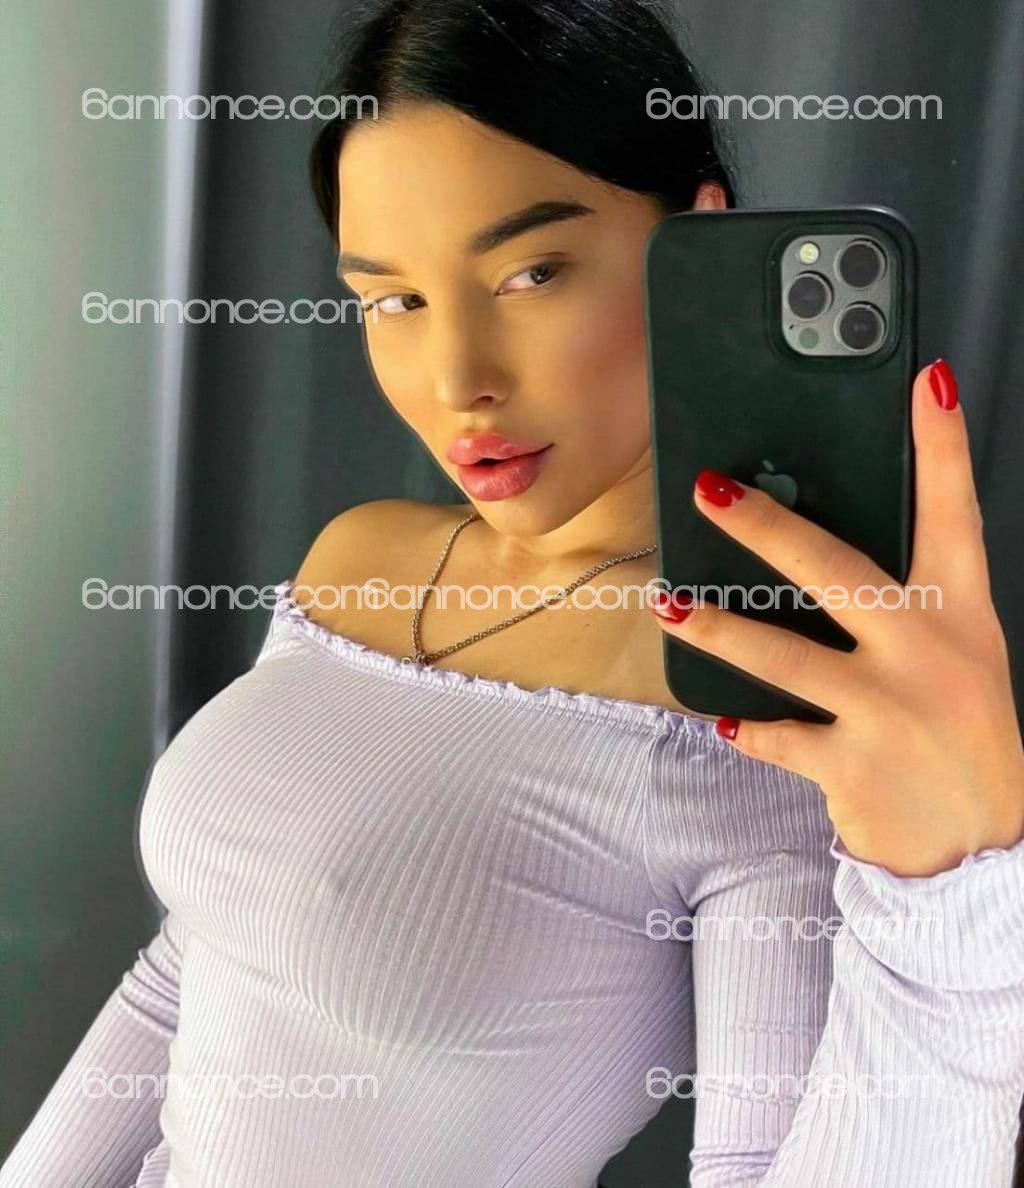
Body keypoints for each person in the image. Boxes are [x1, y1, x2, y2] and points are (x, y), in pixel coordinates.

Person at [4, 1, 1023, 1185]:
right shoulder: (357, 559)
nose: (457, 380)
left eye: (532, 272)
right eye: (393, 299)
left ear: (696, 240)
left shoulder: (748, 680)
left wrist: (949, 891)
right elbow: (185, 975)